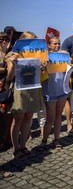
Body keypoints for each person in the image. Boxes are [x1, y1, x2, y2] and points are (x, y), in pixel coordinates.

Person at [6, 31, 45, 159]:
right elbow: (9, 77)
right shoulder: (13, 54)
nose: (31, 45)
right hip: (19, 89)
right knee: (18, 120)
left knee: (28, 119)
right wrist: (13, 63)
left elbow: (39, 73)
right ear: (21, 42)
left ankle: (23, 146)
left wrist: (43, 66)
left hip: (32, 88)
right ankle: (16, 148)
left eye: (34, 41)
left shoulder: (38, 55)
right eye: (28, 41)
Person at [39, 36, 69, 149]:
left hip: (62, 89)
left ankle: (57, 140)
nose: (57, 46)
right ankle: (44, 140)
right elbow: (40, 73)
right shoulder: (45, 57)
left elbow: (68, 71)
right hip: (50, 90)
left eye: (58, 43)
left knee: (58, 117)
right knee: (50, 117)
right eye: (54, 44)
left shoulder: (64, 56)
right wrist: (43, 66)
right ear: (49, 45)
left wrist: (71, 66)